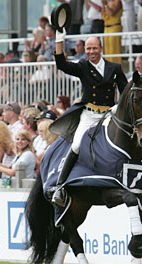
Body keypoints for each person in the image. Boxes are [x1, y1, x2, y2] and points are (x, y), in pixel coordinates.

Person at [52, 29, 128, 205]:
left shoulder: (114, 68)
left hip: (110, 114)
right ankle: (59, 186)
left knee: (127, 139)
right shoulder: (83, 66)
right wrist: (59, 40)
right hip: (90, 114)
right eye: (88, 49)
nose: (91, 52)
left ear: (101, 49)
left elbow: (124, 92)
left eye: (94, 48)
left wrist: (118, 108)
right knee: (77, 145)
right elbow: (62, 64)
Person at [102, 0, 123, 64]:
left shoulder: (117, 2)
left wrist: (105, 5)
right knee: (107, 50)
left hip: (114, 27)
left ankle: (117, 67)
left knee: (114, 49)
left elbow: (112, 13)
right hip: (106, 27)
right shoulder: (107, 2)